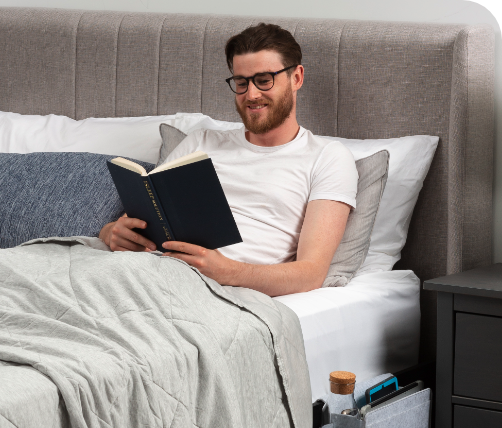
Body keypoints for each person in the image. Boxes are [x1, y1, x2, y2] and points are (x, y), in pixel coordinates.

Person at [99, 23, 358, 297]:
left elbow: (310, 274)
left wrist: (228, 271)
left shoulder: (328, 157)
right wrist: (111, 232)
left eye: (264, 80)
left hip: (217, 290)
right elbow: (136, 220)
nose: (251, 95)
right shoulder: (202, 143)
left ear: (296, 78)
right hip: (142, 270)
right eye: (242, 83)